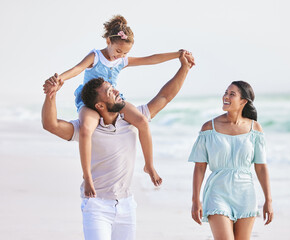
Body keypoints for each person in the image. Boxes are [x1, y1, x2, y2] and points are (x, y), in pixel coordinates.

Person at [42, 51, 193, 240]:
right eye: (109, 91)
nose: (115, 90)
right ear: (100, 106)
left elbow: (164, 97)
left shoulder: (132, 120)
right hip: (96, 206)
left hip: (126, 204)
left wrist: (184, 68)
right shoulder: (86, 128)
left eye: (111, 87)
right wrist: (51, 96)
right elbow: (51, 125)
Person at [44, 15, 195, 197]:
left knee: (141, 120)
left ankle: (149, 165)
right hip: (89, 101)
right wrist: (59, 79)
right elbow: (77, 69)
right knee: (85, 130)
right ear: (108, 41)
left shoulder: (122, 60)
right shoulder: (96, 56)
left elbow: (151, 59)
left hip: (113, 98)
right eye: (118, 51)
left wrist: (178, 54)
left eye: (124, 53)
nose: (120, 56)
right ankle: (87, 177)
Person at [189, 81, 273, 240]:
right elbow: (199, 167)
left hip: (245, 194)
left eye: (232, 94)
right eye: (225, 93)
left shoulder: (255, 129)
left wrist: (268, 200)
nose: (225, 97)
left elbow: (261, 168)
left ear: (243, 101)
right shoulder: (209, 128)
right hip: (217, 193)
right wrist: (195, 200)